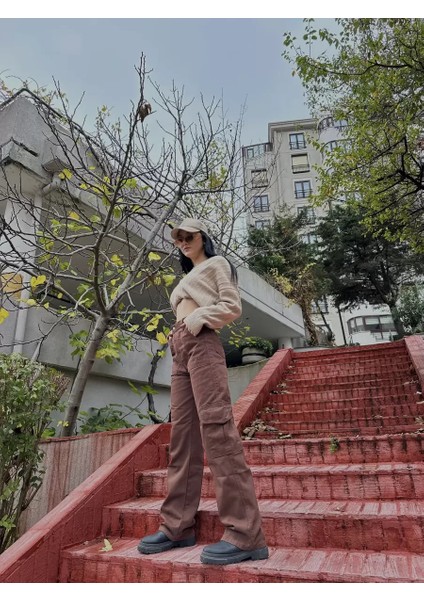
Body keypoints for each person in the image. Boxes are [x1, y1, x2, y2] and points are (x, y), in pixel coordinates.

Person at [137, 217, 268, 565]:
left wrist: (197, 320)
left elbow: (232, 305)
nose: (182, 241)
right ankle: (177, 526)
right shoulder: (188, 276)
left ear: (203, 237)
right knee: (182, 436)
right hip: (181, 348)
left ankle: (246, 534)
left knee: (217, 428)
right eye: (178, 238)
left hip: (202, 343)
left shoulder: (217, 263)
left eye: (188, 235)